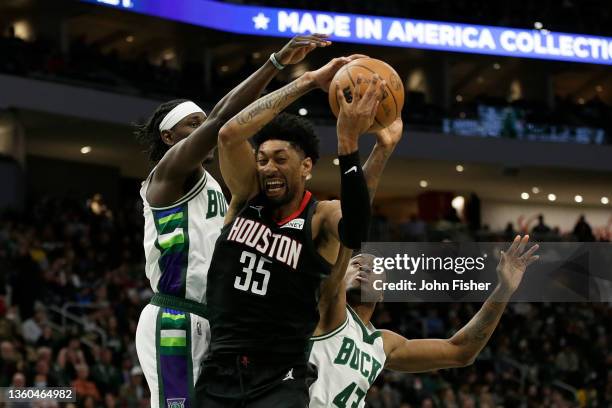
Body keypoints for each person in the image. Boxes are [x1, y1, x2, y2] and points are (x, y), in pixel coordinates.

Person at [133, 34, 332, 408]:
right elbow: (225, 121)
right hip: (175, 316)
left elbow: (222, 115)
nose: (200, 129)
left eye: (200, 122)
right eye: (192, 125)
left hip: (214, 321)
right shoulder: (168, 175)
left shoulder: (208, 181)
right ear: (168, 136)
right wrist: (279, 66)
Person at [196, 56, 388, 407]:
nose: (269, 167)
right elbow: (228, 133)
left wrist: (348, 143)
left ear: (306, 166)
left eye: (280, 159)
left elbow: (356, 230)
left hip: (279, 378)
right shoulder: (246, 198)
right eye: (263, 159)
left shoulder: (320, 215)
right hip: (220, 367)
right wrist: (308, 81)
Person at [308, 235, 539, 407]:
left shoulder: (384, 344)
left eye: (375, 268)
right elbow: (342, 238)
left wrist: (504, 289)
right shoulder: (323, 309)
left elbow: (461, 351)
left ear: (381, 293)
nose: (366, 268)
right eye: (357, 263)